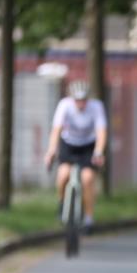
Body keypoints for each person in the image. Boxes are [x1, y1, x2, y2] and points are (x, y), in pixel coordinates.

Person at [44, 81, 107, 231]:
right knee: (63, 175)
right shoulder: (64, 105)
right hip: (69, 144)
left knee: (87, 179)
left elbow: (101, 132)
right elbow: (56, 130)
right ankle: (62, 203)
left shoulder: (96, 107)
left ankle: (89, 218)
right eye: (77, 100)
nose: (81, 104)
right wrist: (51, 150)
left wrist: (99, 151)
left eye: (84, 100)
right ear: (72, 99)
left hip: (88, 146)